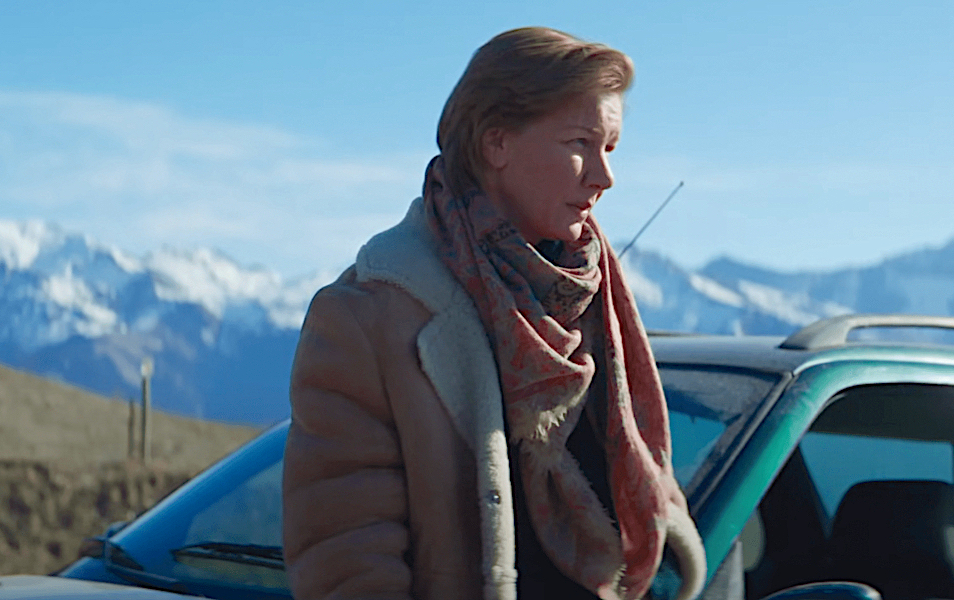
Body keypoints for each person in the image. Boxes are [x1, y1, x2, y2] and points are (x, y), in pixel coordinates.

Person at [282, 27, 706, 600]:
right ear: (495, 142)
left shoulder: (593, 299)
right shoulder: (369, 316)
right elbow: (346, 556)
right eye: (580, 143)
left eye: (610, 149)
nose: (605, 178)